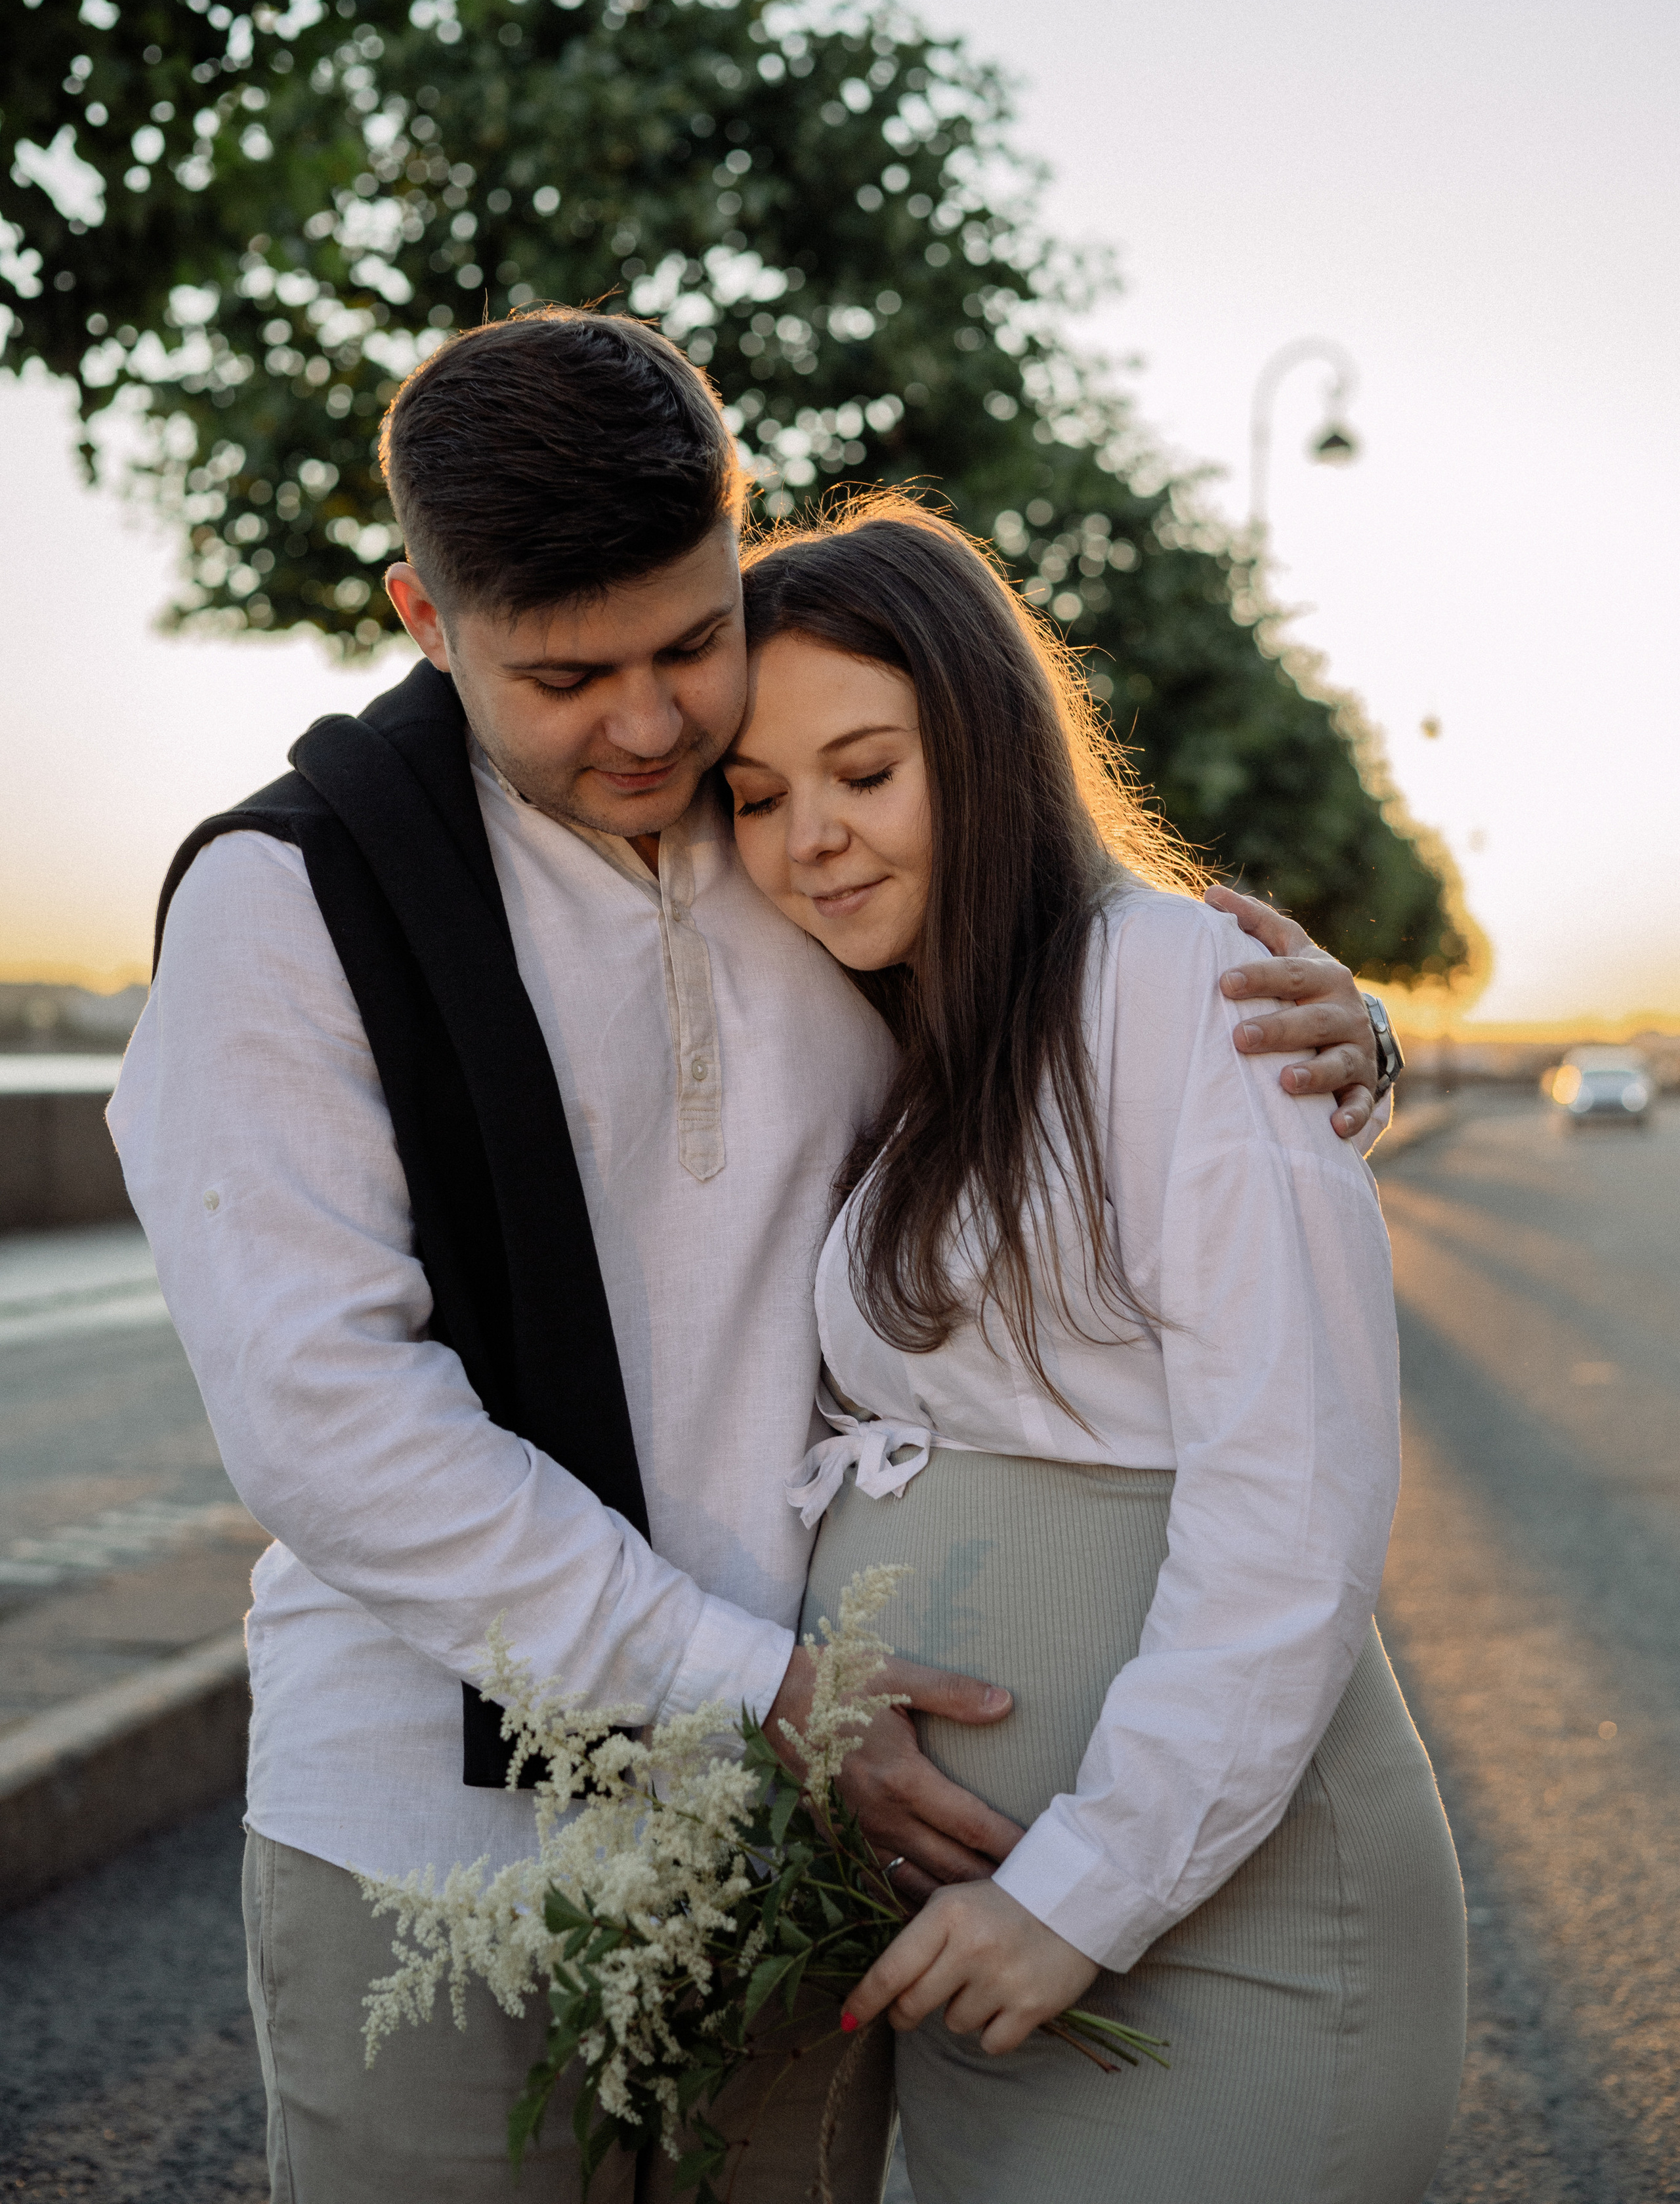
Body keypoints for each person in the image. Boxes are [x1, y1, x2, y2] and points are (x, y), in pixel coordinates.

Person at [108, 310, 1391, 2204]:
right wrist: (762, 1688)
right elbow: (324, 1417)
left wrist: (1320, 1053)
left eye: (690, 643)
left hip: (815, 1841)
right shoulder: (283, 903)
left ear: (739, 545)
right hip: (438, 1838)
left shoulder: (785, 818)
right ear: (420, 617)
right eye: (564, 677)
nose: (647, 727)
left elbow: (1062, 1031)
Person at [722, 501, 1467, 2204]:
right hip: (992, 1947)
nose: (810, 839)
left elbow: (1298, 1497)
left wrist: (1088, 1886)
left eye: (865, 772)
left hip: (1208, 1925)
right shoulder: (905, 1038)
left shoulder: (1170, 986)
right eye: (758, 800)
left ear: (984, 753)